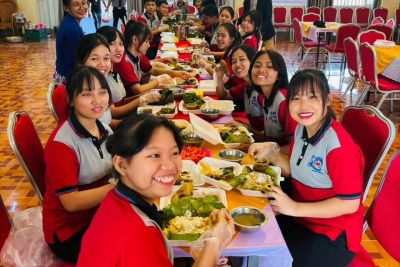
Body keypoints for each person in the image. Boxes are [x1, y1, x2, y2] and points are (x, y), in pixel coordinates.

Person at [77, 114, 235, 266]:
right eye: (154, 155)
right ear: (122, 165)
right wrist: (214, 242)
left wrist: (205, 256)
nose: (169, 166)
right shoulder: (140, 235)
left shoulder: (114, 200)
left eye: (174, 153)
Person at [248, 69, 364, 267]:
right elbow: (298, 170)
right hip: (302, 217)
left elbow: (349, 204)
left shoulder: (339, 148)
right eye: (296, 98)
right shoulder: (303, 128)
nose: (303, 106)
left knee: (269, 258)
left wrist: (293, 208)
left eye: (312, 97)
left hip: (332, 232)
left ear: (327, 100)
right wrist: (273, 153)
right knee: (252, 237)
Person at [42, 66, 115, 263]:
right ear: (71, 100)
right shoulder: (62, 144)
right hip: (70, 231)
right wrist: (116, 188)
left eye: (102, 92)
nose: (97, 100)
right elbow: (71, 202)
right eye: (87, 94)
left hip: (100, 212)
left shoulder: (103, 128)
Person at [115, 20, 193, 96]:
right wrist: (158, 81)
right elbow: (138, 90)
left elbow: (152, 70)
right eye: (146, 41)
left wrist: (176, 73)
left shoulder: (138, 55)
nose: (149, 45)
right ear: (135, 39)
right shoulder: (124, 61)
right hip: (132, 102)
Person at [54, 0, 87, 84]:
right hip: (69, 78)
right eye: (76, 4)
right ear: (66, 7)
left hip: (62, 73)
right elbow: (77, 60)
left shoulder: (69, 22)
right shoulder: (72, 28)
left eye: (83, 3)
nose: (82, 7)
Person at [215, 44, 255, 112]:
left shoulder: (262, 87)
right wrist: (219, 79)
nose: (237, 64)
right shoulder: (246, 86)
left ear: (253, 61)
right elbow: (225, 96)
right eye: (234, 61)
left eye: (242, 59)